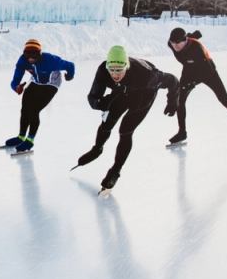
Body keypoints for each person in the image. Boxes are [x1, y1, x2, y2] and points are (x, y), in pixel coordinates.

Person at [73, 45, 179, 190]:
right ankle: (97, 149)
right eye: (112, 70)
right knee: (107, 122)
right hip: (122, 92)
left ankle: (115, 171)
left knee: (125, 130)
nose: (115, 74)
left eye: (119, 70)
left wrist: (173, 101)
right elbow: (93, 98)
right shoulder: (103, 70)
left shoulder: (147, 75)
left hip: (144, 94)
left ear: (126, 67)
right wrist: (102, 103)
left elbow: (173, 80)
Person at [167, 27, 227, 146]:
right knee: (180, 100)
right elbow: (185, 40)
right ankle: (182, 132)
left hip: (207, 71)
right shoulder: (171, 43)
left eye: (178, 43)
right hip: (188, 69)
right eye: (173, 43)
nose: (175, 46)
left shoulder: (197, 49)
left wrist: (191, 84)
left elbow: (205, 71)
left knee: (225, 99)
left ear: (185, 40)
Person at [3, 39, 75, 153]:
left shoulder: (51, 60)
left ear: (39, 54)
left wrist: (69, 76)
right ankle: (21, 137)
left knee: (34, 109)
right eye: (28, 55)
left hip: (51, 84)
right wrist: (16, 87)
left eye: (34, 54)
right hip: (36, 82)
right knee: (25, 107)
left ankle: (30, 140)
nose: (31, 58)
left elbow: (70, 65)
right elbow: (15, 80)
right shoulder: (23, 60)